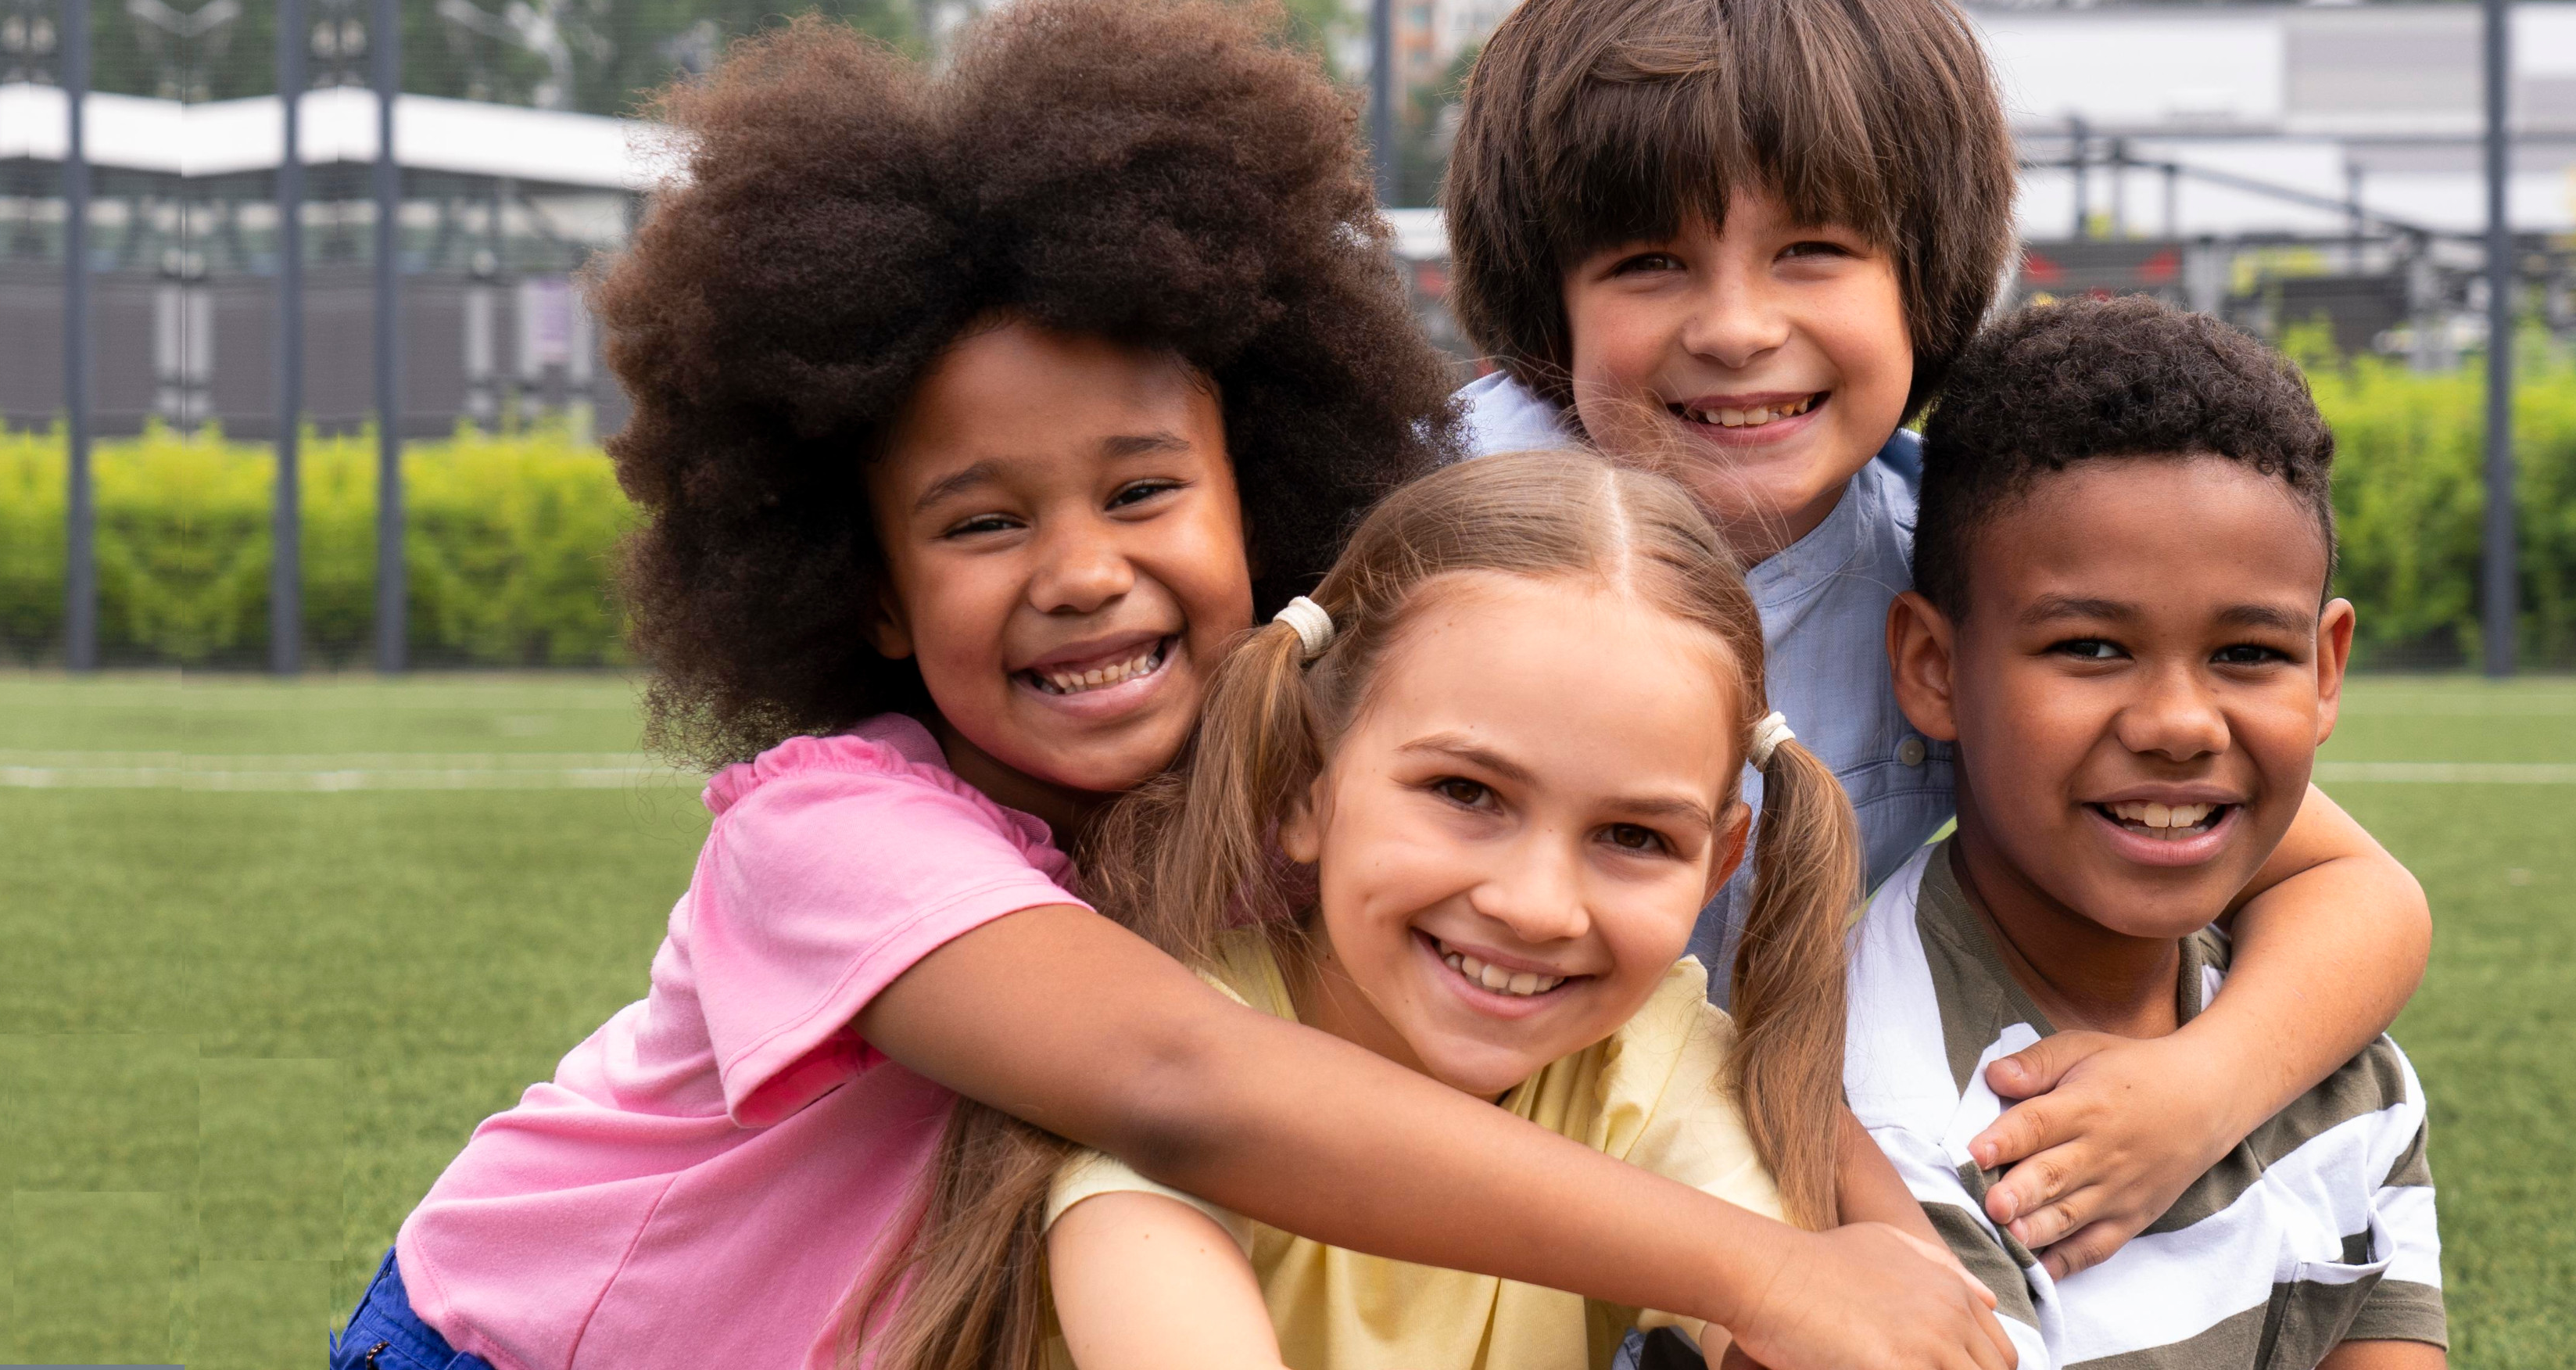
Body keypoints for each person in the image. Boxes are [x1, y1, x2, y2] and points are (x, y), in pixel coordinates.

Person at [327, 7, 2005, 1369]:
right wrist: (1761, 1276)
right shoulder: (830, 836)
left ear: (1263, 490)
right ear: (869, 589)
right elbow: (1179, 1088)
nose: (1076, 571)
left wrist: (1862, 1239)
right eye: (981, 523)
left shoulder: (1300, 758)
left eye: (1141, 495)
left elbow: (1683, 1041)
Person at [1441, 0, 2434, 1279]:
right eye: (1650, 261)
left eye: (1812, 249)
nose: (1737, 326)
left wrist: (2196, 1092)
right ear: (1547, 300)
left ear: (1926, 277)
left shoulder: (1950, 575)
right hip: (1417, 1172)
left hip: (1754, 1178)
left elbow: (2358, 892)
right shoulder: (1412, 530)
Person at [866, 450, 2006, 1370]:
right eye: (1466, 794)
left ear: (1718, 869)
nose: (1534, 904)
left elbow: (1808, 1332)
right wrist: (1770, 1279)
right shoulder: (1170, 1054)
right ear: (1302, 789)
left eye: (1632, 838)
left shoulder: (1655, 1061)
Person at [1850, 296, 2444, 1369]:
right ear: (1933, 670)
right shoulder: (1897, 1122)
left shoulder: (2333, 1058)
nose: (2179, 725)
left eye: (2250, 653)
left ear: (2328, 669)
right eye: (2089, 648)